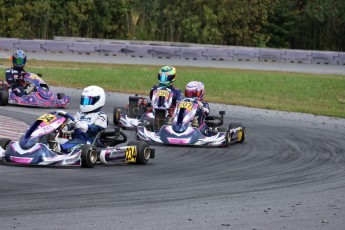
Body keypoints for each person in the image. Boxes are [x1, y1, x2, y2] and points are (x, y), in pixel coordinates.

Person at [60, 85, 108, 153]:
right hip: (75, 140)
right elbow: (71, 124)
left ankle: (60, 151)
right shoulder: (79, 113)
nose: (85, 103)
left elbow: (96, 128)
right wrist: (65, 127)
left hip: (88, 142)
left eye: (88, 101)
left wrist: (84, 126)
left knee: (63, 147)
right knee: (56, 141)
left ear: (98, 100)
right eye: (84, 100)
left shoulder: (101, 115)